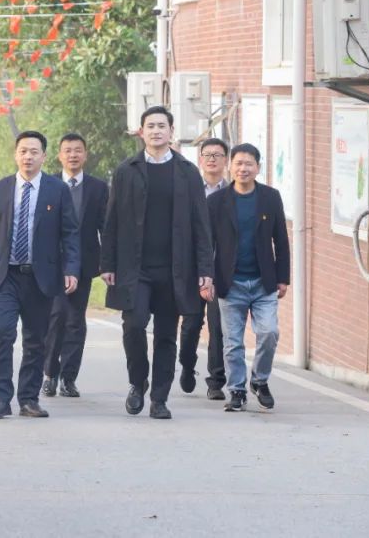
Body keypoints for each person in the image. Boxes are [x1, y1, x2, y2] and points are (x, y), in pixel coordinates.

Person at [101, 106, 213, 420]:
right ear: (141, 132)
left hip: (176, 271)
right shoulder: (127, 170)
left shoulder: (187, 172)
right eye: (150, 126)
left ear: (171, 131)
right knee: (133, 325)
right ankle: (138, 383)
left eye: (161, 126)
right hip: (135, 269)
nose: (156, 131)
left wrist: (205, 271)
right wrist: (107, 263)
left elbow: (201, 226)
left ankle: (159, 398)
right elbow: (112, 221)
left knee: (166, 334)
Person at [0, 131, 80, 419]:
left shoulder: (57, 189)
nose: (28, 156)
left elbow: (70, 233)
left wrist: (71, 269)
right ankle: (0, 397)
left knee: (36, 340)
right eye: (23, 151)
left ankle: (28, 399)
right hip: (4, 276)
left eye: (34, 151)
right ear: (16, 154)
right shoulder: (0, 188)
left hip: (40, 277)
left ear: (44, 156)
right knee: (2, 334)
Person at [207, 144, 290, 412]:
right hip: (229, 283)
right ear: (230, 166)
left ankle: (260, 380)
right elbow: (206, 244)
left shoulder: (270, 197)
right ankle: (237, 391)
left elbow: (281, 239)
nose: (243, 168)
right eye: (239, 163)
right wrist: (206, 277)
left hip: (263, 281)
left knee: (269, 332)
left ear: (258, 168)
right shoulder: (216, 202)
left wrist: (283, 277)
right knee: (232, 342)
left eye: (249, 164)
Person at [42, 133, 108, 399]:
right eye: (67, 150)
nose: (72, 155)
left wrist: (107, 262)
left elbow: (106, 227)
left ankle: (69, 378)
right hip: (51, 264)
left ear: (85, 154)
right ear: (59, 155)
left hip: (84, 263)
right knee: (55, 316)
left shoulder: (98, 188)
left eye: (77, 150)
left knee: (75, 320)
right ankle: (49, 374)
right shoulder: (47, 184)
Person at [178, 137, 230, 401]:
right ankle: (187, 365)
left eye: (218, 155)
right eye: (207, 154)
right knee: (190, 325)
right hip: (191, 269)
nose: (212, 159)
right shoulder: (188, 190)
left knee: (218, 325)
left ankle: (216, 381)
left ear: (225, 160)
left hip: (220, 269)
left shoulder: (232, 193)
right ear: (200, 159)